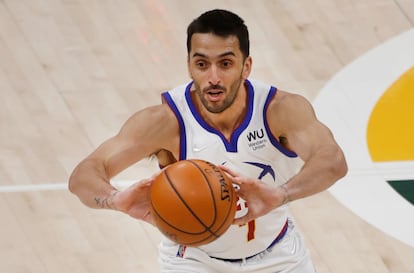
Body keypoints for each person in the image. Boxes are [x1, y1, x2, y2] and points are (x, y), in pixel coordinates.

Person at [69, 9, 347, 273]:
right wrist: (114, 199)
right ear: (189, 66)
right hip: (195, 260)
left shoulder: (280, 110)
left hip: (279, 257)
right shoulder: (164, 122)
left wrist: (281, 194)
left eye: (225, 64)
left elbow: (333, 161)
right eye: (202, 64)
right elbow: (84, 175)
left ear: (246, 66)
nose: (213, 77)